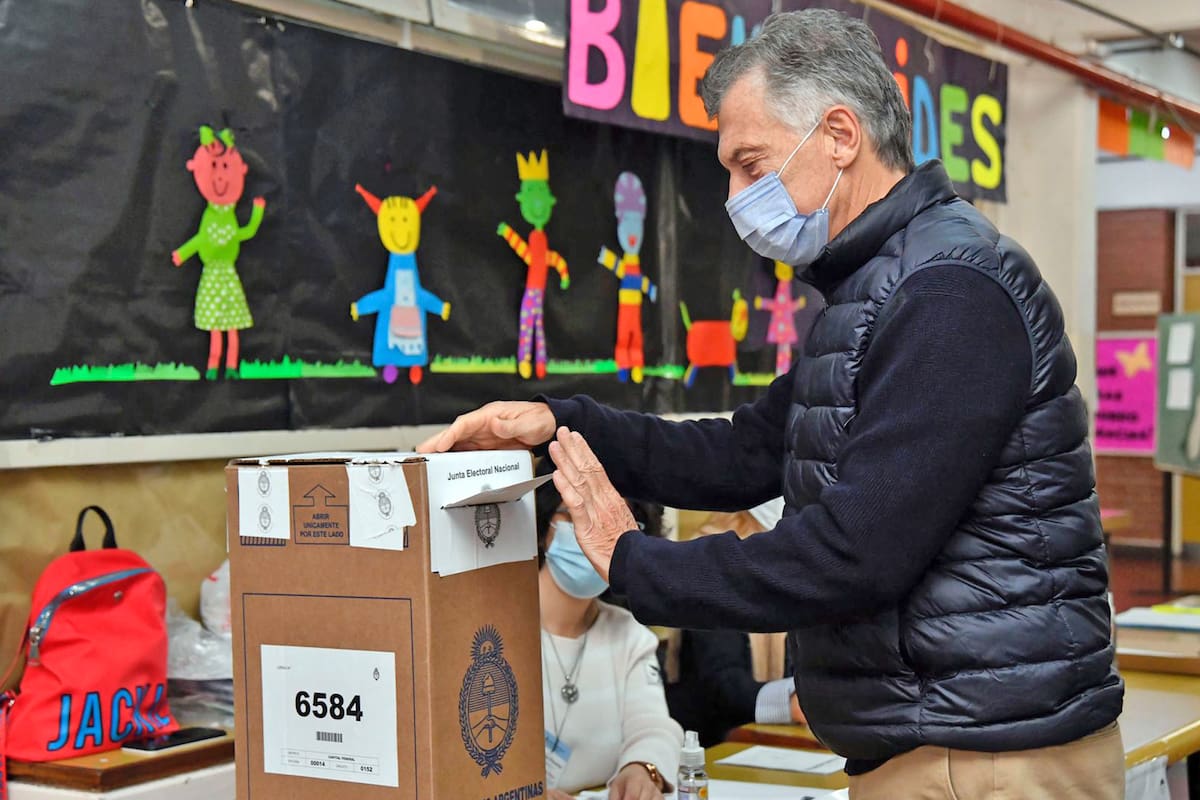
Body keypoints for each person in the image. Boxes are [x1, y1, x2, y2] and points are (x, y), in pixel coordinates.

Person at [422, 9, 1124, 798]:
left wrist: (634, 560)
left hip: (988, 755)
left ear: (838, 134)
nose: (734, 197)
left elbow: (854, 551)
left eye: (750, 164)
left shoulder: (948, 292)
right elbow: (747, 452)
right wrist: (563, 420)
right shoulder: (870, 292)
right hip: (933, 738)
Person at [533, 466, 682, 799]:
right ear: (544, 526)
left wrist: (643, 768)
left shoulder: (628, 634)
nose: (594, 536)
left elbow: (653, 725)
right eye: (578, 517)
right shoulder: (490, 636)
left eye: (613, 526)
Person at [663, 499, 803, 747]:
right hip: (712, 746)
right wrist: (790, 702)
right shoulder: (709, 556)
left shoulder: (797, 554)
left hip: (780, 744)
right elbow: (722, 683)